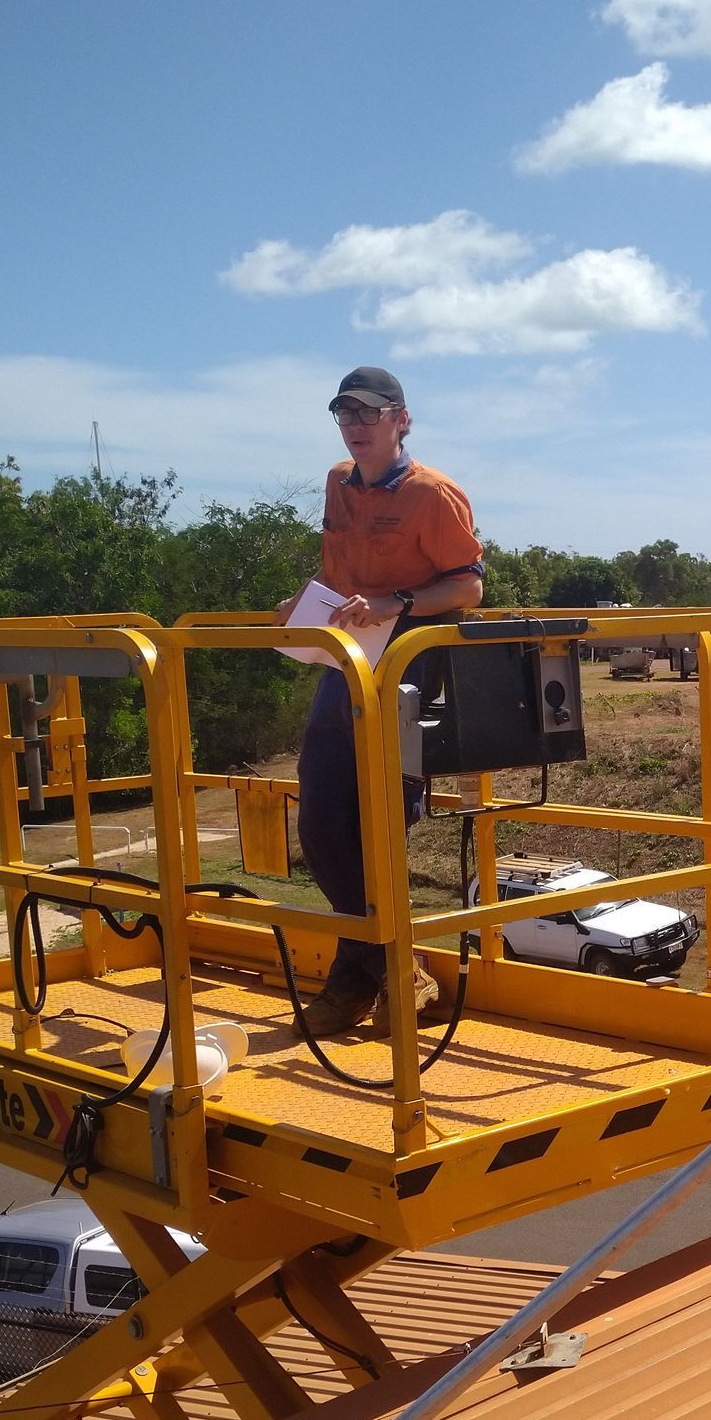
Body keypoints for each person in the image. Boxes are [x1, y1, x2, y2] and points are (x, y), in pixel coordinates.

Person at [277, 367, 484, 1037]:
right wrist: (305, 603)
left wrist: (397, 604)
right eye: (345, 415)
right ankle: (395, 970)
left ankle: (355, 983)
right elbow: (340, 573)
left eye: (369, 414)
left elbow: (467, 589)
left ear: (401, 419)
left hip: (408, 665)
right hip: (347, 660)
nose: (356, 426)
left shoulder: (432, 494)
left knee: (377, 831)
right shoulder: (339, 483)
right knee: (321, 827)